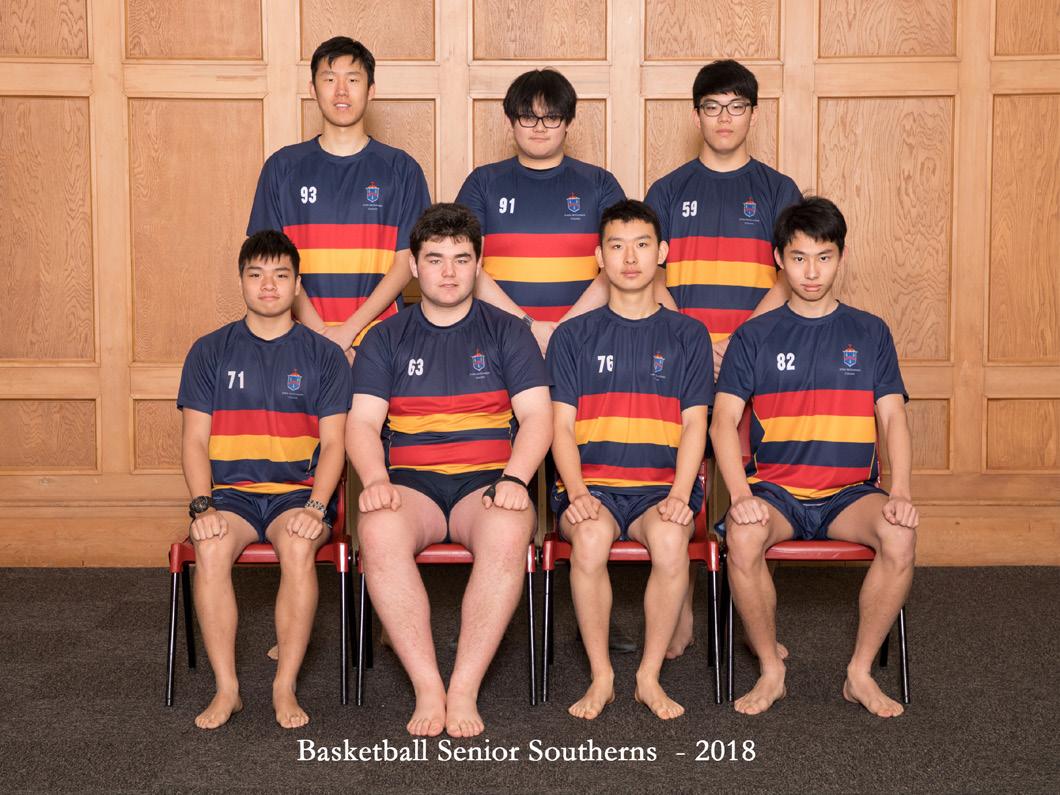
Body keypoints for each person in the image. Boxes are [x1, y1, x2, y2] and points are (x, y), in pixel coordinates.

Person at [346, 203, 552, 738]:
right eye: (435, 259)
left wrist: (514, 479)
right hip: (411, 484)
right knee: (378, 529)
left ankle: (463, 687)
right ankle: (427, 687)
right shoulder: (384, 337)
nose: (448, 272)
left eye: (461, 259)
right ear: (414, 266)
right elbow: (362, 424)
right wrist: (375, 480)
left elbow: (537, 417)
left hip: (486, 483)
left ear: (479, 264)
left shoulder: (509, 331)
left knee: (509, 530)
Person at [711, 197, 918, 718]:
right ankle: (771, 670)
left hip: (850, 495)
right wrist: (740, 495)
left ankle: (859, 674)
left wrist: (900, 492)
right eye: (799, 258)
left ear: (840, 257)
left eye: (824, 258)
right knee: (743, 535)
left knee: (900, 534)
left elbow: (893, 417)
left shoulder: (870, 331)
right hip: (776, 492)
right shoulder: (754, 336)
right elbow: (721, 421)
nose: (811, 271)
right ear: (779, 258)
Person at [645, 58, 803, 658]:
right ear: (697, 116)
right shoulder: (668, 190)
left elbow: (790, 275)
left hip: (755, 353)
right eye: (713, 107)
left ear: (753, 115)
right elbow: (650, 276)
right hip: (683, 354)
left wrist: (739, 343)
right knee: (682, 481)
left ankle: (756, 620)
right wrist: (695, 340)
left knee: (754, 485)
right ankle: (682, 610)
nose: (724, 118)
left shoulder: (778, 190)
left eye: (736, 107)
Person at [177, 230, 351, 730]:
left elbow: (335, 445)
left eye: (280, 275)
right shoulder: (209, 351)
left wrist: (317, 507)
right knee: (210, 547)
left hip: (298, 494)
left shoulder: (325, 355)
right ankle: (227, 689)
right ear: (242, 281)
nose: (268, 285)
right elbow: (194, 441)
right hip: (230, 496)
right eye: (256, 275)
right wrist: (202, 506)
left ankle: (284, 685)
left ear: (297, 285)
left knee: (297, 547)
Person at [547, 200, 712, 720]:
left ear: (662, 252)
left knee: (671, 540)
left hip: (661, 487)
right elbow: (560, 426)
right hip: (591, 485)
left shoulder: (689, 334)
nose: (630, 258)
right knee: (590, 540)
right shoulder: (572, 335)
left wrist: (681, 495)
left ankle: (647, 676)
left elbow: (695, 424)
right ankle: (602, 677)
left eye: (642, 245)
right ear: (600, 257)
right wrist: (577, 493)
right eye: (617, 247)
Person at [248, 36, 431, 361]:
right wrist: (322, 336)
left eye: (353, 80)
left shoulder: (403, 169)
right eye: (330, 79)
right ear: (313, 89)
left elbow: (407, 262)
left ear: (371, 90)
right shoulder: (282, 167)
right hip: (298, 342)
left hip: (379, 344)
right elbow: (269, 262)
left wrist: (348, 332)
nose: (341, 91)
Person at [456, 68, 625, 355]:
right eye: (528, 116)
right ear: (511, 120)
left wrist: (562, 331)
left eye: (551, 117)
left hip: (583, 341)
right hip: (497, 340)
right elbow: (465, 265)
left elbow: (618, 266)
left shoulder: (600, 183)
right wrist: (528, 326)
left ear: (568, 122)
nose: (539, 127)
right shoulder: (482, 183)